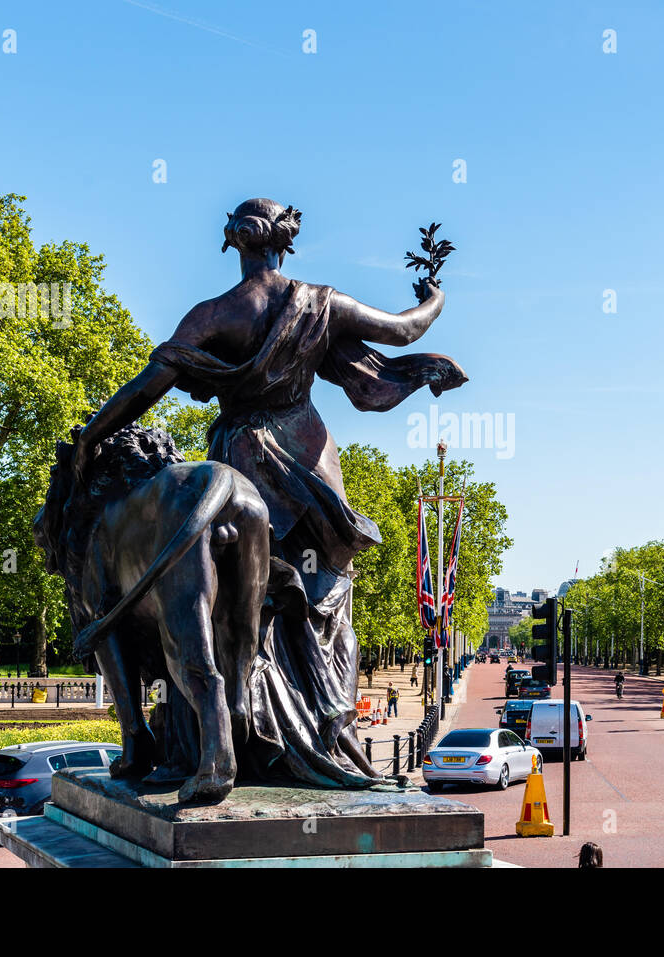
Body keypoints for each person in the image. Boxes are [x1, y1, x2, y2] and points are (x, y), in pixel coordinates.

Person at [71, 198, 463, 788]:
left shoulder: (213, 314)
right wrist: (435, 295)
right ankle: (332, 732)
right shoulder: (323, 303)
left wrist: (90, 438)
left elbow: (144, 390)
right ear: (285, 242)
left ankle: (233, 734)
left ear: (235, 242)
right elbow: (404, 327)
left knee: (232, 596)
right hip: (308, 453)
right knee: (326, 596)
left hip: (240, 458)